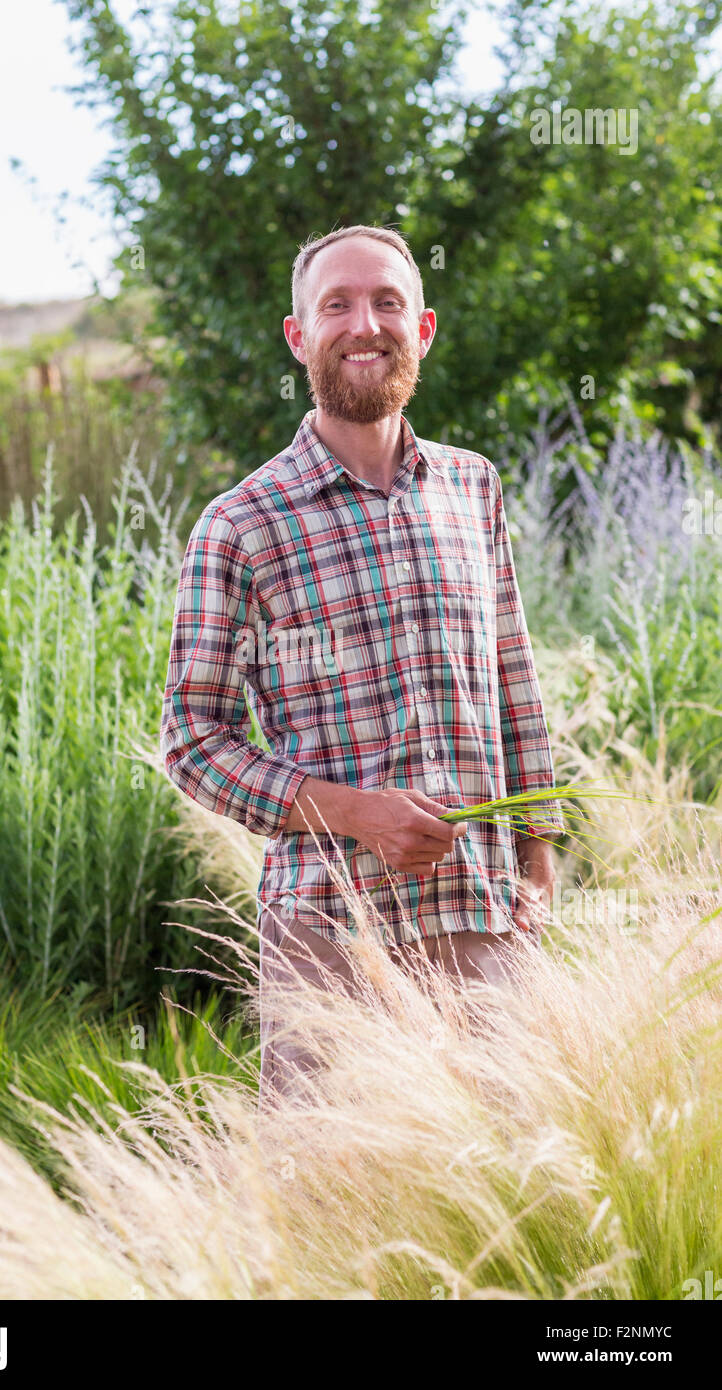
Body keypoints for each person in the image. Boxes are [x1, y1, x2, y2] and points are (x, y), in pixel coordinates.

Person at [159, 224, 564, 1105]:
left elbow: (515, 689)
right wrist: (355, 814)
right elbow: (191, 740)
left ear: (422, 329)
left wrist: (538, 865)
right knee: (328, 1218)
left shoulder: (473, 488)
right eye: (335, 304)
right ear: (299, 336)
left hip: (483, 923)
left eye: (387, 302)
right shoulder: (241, 525)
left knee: (518, 1208)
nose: (363, 323)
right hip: (330, 942)